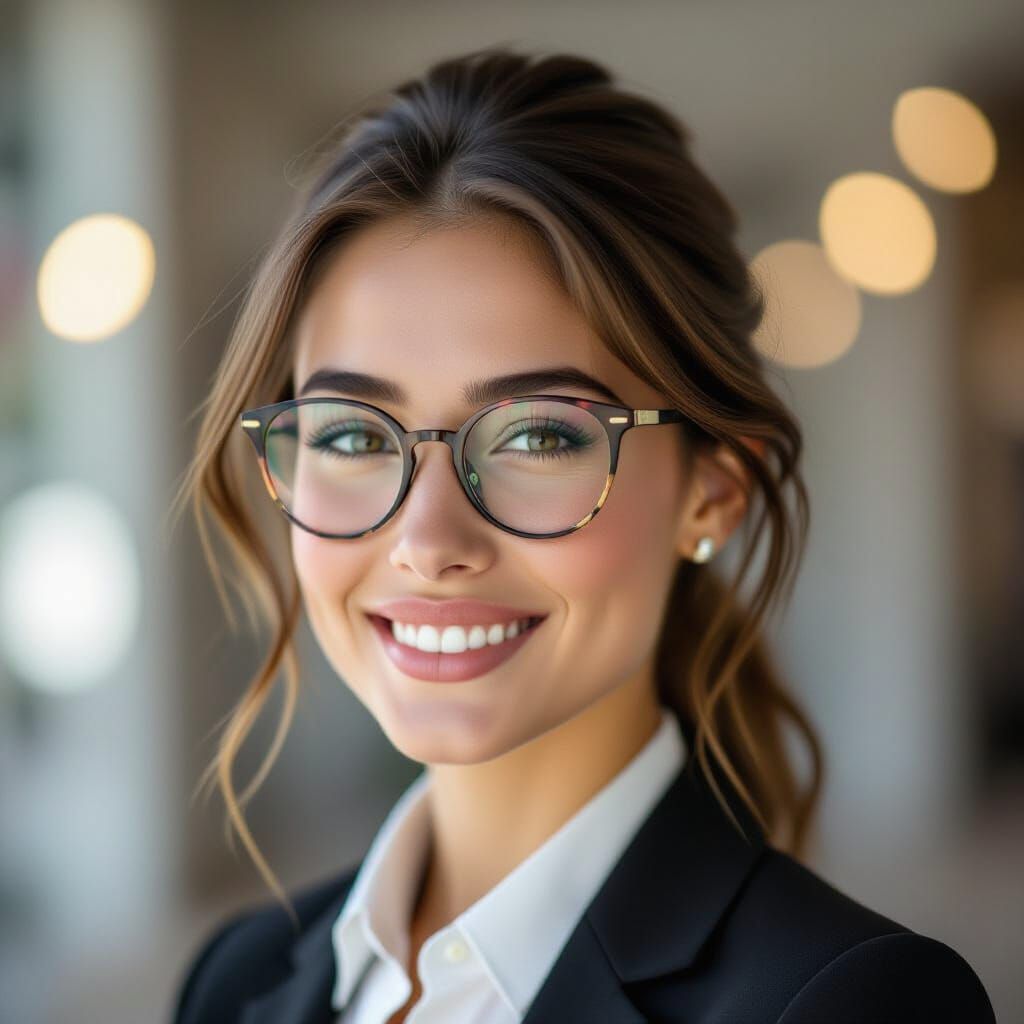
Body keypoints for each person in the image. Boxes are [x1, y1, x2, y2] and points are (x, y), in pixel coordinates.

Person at [169, 45, 996, 1024]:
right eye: (352, 433)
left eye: (538, 435)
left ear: (712, 492)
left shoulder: (853, 1003)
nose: (427, 537)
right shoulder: (236, 979)